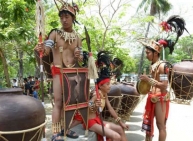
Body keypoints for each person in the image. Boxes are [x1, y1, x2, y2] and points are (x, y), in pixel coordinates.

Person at [35, 1, 83, 140]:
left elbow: (80, 60)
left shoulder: (78, 37)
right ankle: (56, 132)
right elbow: (47, 49)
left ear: (73, 18)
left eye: (67, 17)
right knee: (58, 101)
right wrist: (42, 48)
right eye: (61, 17)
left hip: (72, 73)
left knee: (69, 103)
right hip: (58, 71)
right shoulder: (55, 33)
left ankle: (66, 129)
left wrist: (79, 56)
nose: (64, 20)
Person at [86, 51, 129, 141]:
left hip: (97, 119)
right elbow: (88, 105)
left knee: (120, 129)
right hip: (91, 122)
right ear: (101, 86)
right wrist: (94, 105)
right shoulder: (96, 93)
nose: (110, 86)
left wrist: (120, 123)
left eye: (110, 84)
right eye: (108, 84)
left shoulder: (104, 94)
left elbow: (110, 109)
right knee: (116, 136)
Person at [139, 40, 170, 141]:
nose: (146, 55)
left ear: (156, 53)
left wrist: (148, 80)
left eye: (148, 53)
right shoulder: (153, 65)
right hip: (152, 97)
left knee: (160, 126)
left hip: (160, 99)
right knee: (148, 125)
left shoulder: (163, 66)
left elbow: (164, 86)